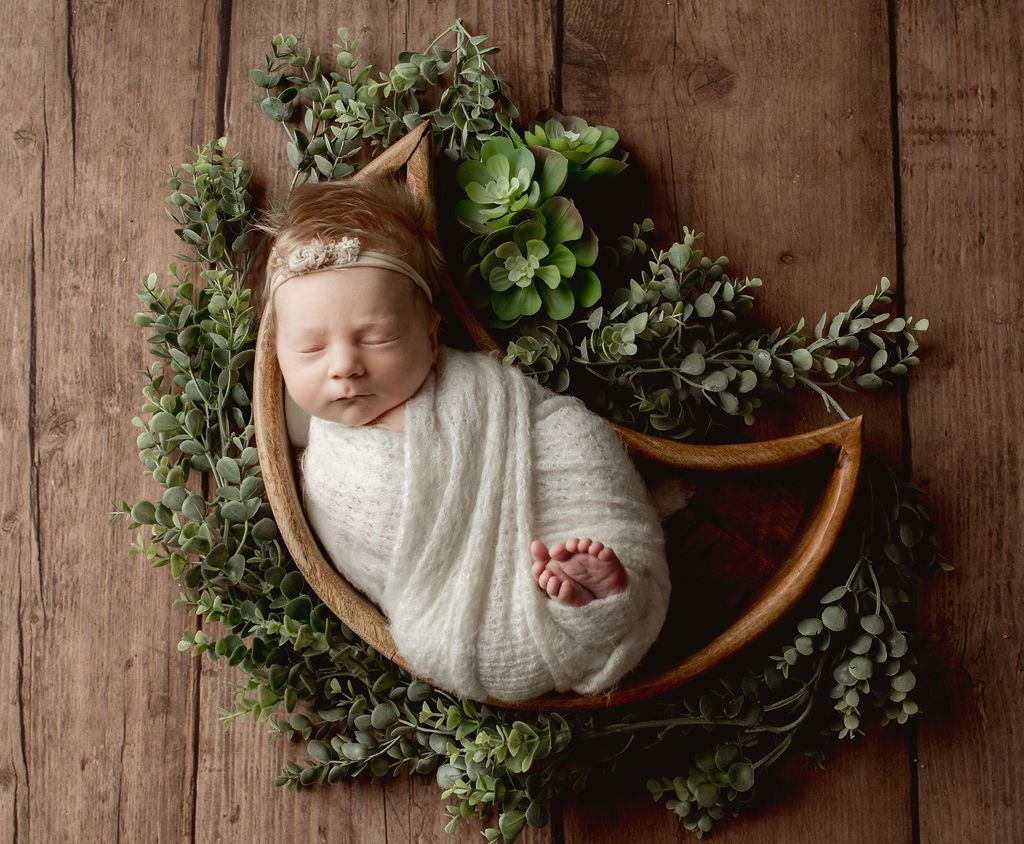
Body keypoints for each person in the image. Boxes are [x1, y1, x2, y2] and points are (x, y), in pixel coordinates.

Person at [256, 172, 677, 702]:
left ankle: (604, 589)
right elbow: (371, 569)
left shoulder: (478, 388)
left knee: (573, 432)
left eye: (378, 337)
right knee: (485, 617)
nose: (345, 366)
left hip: (539, 491)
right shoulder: (323, 462)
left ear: (432, 335)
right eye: (310, 350)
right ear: (278, 357)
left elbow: (554, 435)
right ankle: (573, 603)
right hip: (456, 607)